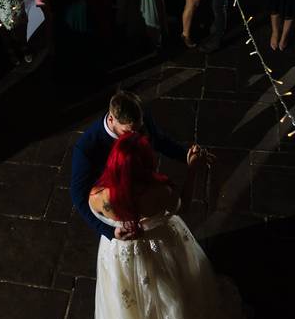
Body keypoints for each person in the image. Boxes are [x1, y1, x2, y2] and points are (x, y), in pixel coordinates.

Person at [90, 133, 256, 319]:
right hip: (159, 247)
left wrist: (117, 230)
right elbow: (183, 205)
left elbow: (94, 211)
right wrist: (192, 171)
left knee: (131, 295)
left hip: (120, 253)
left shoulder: (102, 196)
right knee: (170, 292)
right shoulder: (158, 192)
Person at [70, 91, 206, 241]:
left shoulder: (139, 116)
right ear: (111, 119)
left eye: (140, 128)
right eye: (128, 132)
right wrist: (109, 231)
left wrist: (187, 156)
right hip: (124, 199)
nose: (137, 135)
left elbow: (160, 141)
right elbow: (78, 194)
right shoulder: (86, 148)